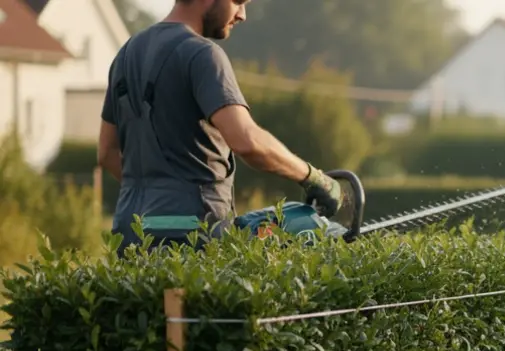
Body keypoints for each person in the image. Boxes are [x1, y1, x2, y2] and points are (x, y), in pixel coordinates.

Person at [97, 0, 344, 252]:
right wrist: (314, 178)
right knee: (315, 236)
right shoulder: (201, 53)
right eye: (238, 2)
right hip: (190, 233)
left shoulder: (126, 55)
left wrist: (154, 204)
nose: (242, 15)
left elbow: (106, 152)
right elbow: (247, 140)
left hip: (130, 230)